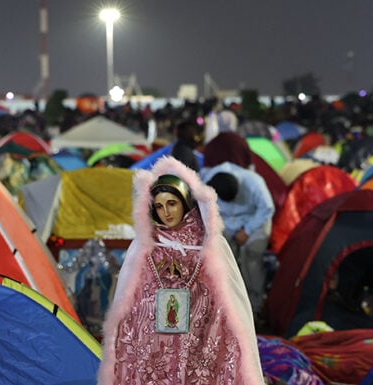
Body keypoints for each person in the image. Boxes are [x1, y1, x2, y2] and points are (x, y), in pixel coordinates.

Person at [98, 156, 264, 385]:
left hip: (201, 336)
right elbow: (129, 295)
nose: (166, 212)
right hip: (153, 339)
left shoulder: (209, 242)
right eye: (159, 205)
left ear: (185, 202)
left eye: (172, 203)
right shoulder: (145, 242)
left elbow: (229, 298)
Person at [201, 162, 275, 315]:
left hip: (255, 220)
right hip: (226, 223)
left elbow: (267, 209)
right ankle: (227, 304)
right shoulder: (208, 183)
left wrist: (247, 231)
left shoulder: (255, 183)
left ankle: (255, 306)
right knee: (222, 257)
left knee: (252, 255)